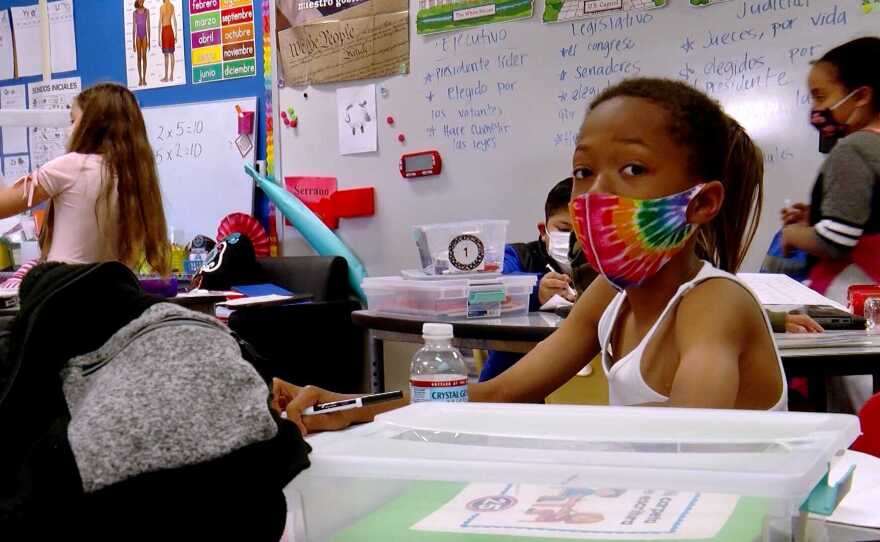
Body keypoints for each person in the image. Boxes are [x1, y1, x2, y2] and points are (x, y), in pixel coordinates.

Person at [273, 78, 788, 435]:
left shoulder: (712, 305)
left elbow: (689, 455)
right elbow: (498, 394)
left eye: (632, 169)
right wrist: (355, 406)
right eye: (584, 172)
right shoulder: (610, 295)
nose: (593, 196)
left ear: (700, 202)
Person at [781, 38, 880, 410]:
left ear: (861, 96)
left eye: (821, 96)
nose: (817, 109)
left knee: (852, 409)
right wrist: (817, 216)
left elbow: (835, 239)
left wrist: (793, 233)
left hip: (851, 296)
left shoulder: (854, 149)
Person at [0, 82, 170, 276]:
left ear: (93, 124)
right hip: (111, 288)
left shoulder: (70, 167)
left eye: (73, 121)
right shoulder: (135, 177)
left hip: (62, 287)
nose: (68, 129)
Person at [479, 178, 577, 381]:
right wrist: (535, 291)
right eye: (565, 230)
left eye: (583, 232)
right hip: (512, 376)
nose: (574, 239)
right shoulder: (518, 256)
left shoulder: (610, 267)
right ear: (543, 231)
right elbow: (486, 289)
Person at [132, 0, 149, 87]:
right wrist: (133, 43)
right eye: (139, 0)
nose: (141, 1)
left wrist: (149, 39)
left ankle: (144, 78)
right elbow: (134, 28)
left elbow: (148, 26)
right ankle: (140, 79)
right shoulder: (134, 13)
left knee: (144, 57)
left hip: (145, 36)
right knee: (139, 57)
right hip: (138, 36)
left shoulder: (147, 11)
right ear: (137, 1)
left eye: (142, 0)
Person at [159, 0, 177, 82]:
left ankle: (166, 76)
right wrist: (176, 34)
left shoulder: (162, 7)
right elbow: (175, 21)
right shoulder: (172, 6)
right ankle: (171, 76)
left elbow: (160, 22)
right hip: (170, 30)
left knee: (166, 55)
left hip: (165, 31)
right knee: (171, 54)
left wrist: (159, 37)